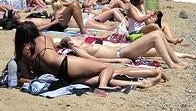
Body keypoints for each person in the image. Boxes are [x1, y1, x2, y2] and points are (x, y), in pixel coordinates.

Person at [14, 21, 163, 89]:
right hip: (66, 64)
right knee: (108, 69)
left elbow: (28, 77)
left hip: (60, 77)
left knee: (102, 76)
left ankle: (140, 83)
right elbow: (54, 51)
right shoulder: (44, 38)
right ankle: (104, 86)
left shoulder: (22, 55)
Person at [59, 30, 192, 69]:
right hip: (120, 54)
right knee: (156, 36)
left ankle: (176, 61)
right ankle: (172, 64)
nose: (78, 39)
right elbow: (93, 59)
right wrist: (117, 61)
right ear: (71, 43)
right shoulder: (77, 48)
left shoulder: (82, 46)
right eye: (75, 39)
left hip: (123, 50)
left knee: (158, 34)